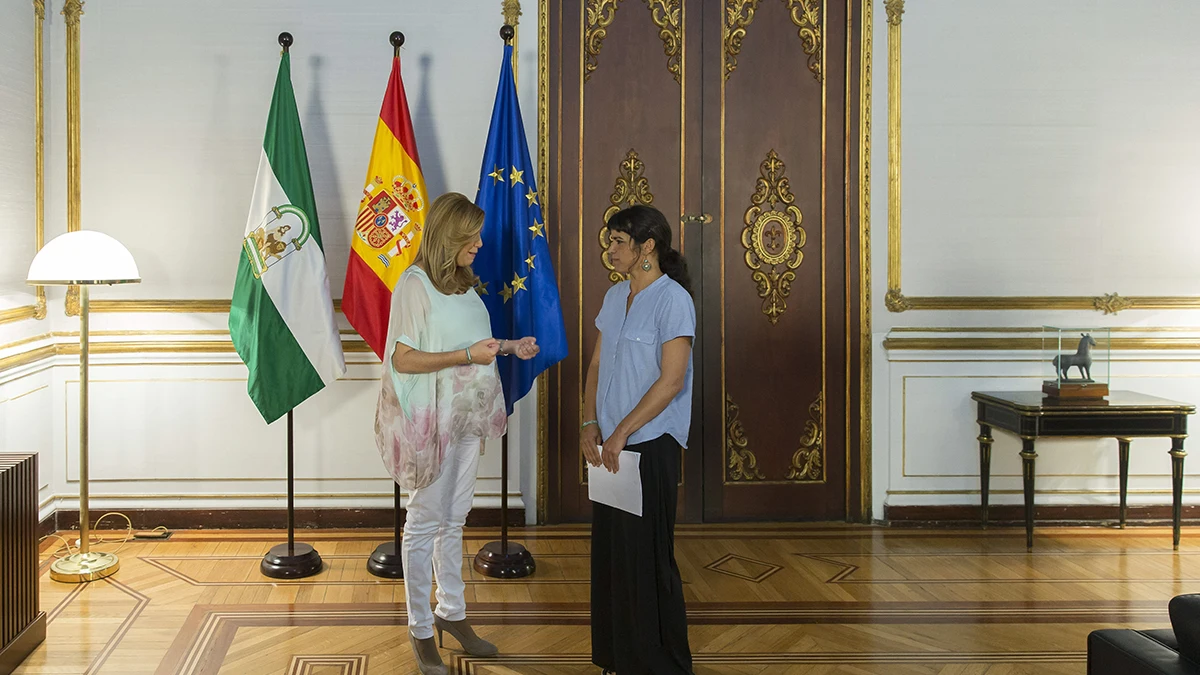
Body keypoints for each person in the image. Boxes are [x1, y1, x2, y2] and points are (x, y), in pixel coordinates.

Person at [374, 192, 540, 675]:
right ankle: (420, 628)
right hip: (433, 423)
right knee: (425, 520)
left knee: (455, 517)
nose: (480, 243)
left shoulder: (464, 286)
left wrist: (509, 346)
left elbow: (470, 344)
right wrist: (467, 357)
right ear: (450, 236)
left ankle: (453, 615)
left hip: (468, 416)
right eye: (472, 236)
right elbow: (403, 358)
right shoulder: (415, 284)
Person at [581, 204, 695, 674]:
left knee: (648, 556)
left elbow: (671, 381)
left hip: (649, 445)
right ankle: (617, 659)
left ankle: (661, 664)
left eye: (619, 242)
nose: (610, 249)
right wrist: (589, 424)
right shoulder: (614, 297)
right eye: (610, 240)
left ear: (647, 247)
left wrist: (623, 432)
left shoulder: (673, 301)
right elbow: (594, 367)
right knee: (613, 556)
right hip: (609, 447)